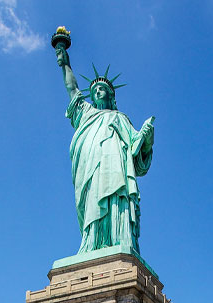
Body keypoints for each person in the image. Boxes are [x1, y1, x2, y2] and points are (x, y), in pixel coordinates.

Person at [55, 39, 155, 256]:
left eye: (102, 89)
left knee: (116, 200)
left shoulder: (120, 118)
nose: (98, 92)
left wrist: (147, 138)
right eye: (95, 90)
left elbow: (138, 153)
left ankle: (120, 240)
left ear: (111, 95)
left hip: (116, 171)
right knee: (93, 203)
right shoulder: (86, 114)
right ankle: (92, 243)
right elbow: (72, 89)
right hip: (90, 170)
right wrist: (65, 64)